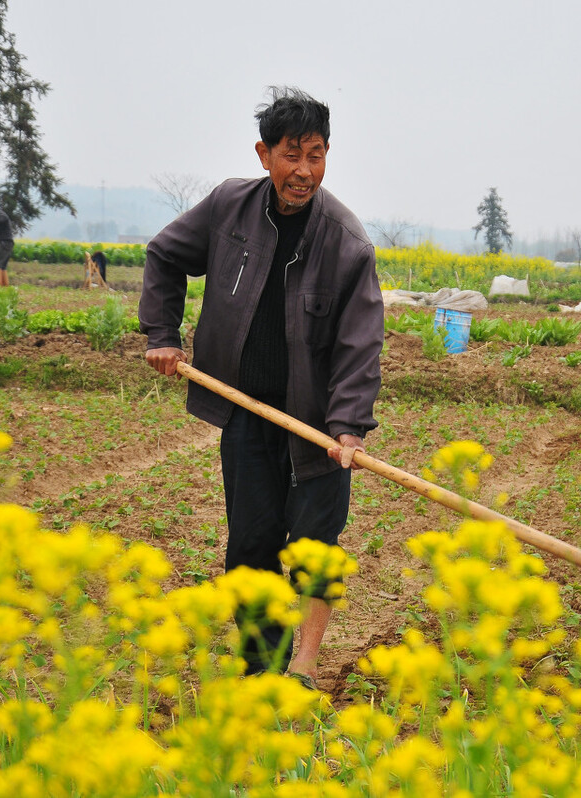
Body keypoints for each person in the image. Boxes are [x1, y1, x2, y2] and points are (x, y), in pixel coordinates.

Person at [138, 87, 384, 687]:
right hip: (248, 411)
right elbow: (165, 255)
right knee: (251, 541)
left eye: (317, 155)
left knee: (315, 549)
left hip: (320, 424)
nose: (305, 171)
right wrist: (162, 332)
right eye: (292, 155)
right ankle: (259, 668)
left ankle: (301, 666)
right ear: (264, 154)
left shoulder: (346, 242)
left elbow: (360, 341)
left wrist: (347, 425)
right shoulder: (229, 208)